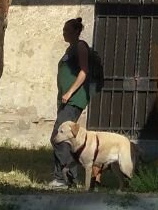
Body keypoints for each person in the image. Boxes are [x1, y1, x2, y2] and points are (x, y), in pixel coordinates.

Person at [50, 17, 93, 189]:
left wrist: (69, 92)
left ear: (76, 31)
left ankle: (66, 176)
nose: (64, 33)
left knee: (58, 137)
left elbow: (84, 72)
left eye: (67, 30)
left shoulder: (80, 46)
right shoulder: (70, 48)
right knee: (63, 139)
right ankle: (62, 178)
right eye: (63, 29)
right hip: (67, 100)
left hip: (74, 99)